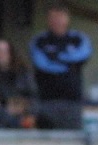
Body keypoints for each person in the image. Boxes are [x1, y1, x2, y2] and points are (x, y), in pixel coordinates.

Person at [29, 2, 91, 130]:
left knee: (72, 139)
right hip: (47, 102)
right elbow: (42, 64)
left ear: (67, 19)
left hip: (72, 103)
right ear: (48, 20)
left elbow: (82, 55)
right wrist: (68, 64)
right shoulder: (39, 41)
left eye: (60, 17)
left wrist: (57, 57)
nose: (57, 21)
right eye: (53, 18)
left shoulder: (79, 39)